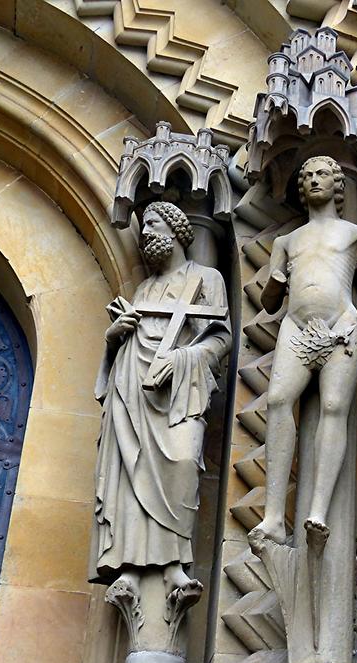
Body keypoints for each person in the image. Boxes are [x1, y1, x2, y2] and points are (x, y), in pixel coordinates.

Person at [89, 201, 231, 605]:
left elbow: (221, 339)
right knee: (131, 475)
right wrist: (113, 336)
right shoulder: (144, 289)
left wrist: (181, 359)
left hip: (180, 392)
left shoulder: (207, 279)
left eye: (154, 223)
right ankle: (131, 569)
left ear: (177, 229)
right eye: (144, 224)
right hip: (133, 389)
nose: (147, 231)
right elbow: (125, 343)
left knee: (184, 464)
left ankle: (174, 565)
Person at [249, 156, 357, 545]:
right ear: (300, 188)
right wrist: (274, 280)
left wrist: (342, 326)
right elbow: (270, 304)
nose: (314, 180)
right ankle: (272, 516)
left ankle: (318, 508)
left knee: (335, 407)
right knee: (277, 401)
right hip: (296, 328)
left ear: (338, 184)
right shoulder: (286, 242)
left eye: (322, 173)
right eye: (307, 175)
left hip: (341, 327)